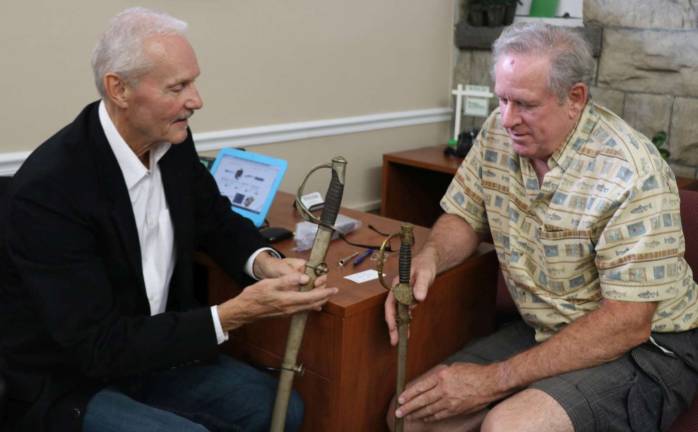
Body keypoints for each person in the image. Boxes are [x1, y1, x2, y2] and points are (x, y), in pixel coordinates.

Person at [0, 7, 337, 432]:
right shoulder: (49, 189)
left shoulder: (170, 139)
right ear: (119, 89)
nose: (196, 100)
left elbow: (214, 218)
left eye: (193, 82)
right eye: (178, 87)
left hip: (156, 353)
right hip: (74, 378)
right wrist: (232, 314)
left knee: (279, 410)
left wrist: (264, 261)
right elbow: (97, 347)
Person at [385, 22, 698, 432]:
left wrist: (492, 382)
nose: (508, 119)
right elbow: (464, 215)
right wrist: (431, 256)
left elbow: (628, 321)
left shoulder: (630, 172)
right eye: (502, 99)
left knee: (509, 427)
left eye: (525, 105)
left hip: (646, 347)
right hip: (546, 329)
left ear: (575, 98)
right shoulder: (498, 133)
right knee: (407, 417)